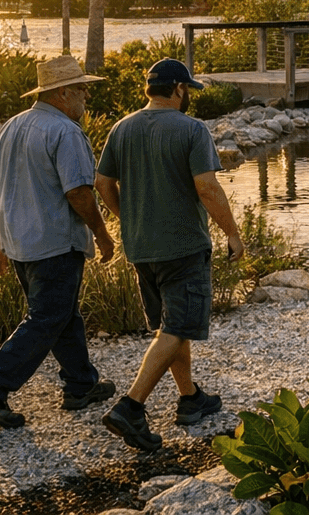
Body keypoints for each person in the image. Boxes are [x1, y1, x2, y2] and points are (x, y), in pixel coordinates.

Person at [0, 54, 116, 429]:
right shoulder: (66, 132)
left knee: (62, 313)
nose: (85, 99)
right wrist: (103, 234)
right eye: (81, 91)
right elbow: (79, 192)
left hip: (19, 242)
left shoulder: (13, 126)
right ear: (61, 94)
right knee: (47, 317)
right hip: (53, 242)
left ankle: (81, 385)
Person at [95, 58, 244, 451]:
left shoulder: (121, 128)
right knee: (177, 327)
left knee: (172, 325)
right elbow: (208, 188)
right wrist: (233, 233)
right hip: (183, 246)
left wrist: (125, 214)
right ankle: (130, 406)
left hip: (141, 248)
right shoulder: (192, 129)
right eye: (187, 90)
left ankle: (190, 397)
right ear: (178, 89)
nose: (188, 96)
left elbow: (102, 181)